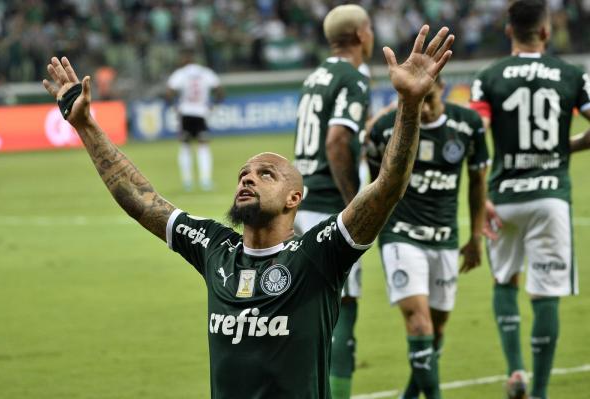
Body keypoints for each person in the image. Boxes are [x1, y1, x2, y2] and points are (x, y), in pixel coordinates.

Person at [42, 24, 453, 398]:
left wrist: (409, 105)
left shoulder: (319, 255)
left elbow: (386, 188)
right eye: (244, 173)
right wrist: (86, 126)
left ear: (295, 198)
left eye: (266, 174)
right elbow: (139, 198)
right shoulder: (215, 248)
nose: (248, 178)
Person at [469, 1, 590, 398]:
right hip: (550, 198)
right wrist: (563, 147)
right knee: (545, 292)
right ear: (545, 32)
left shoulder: (488, 76)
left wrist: (479, 195)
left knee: (504, 280)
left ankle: (515, 370)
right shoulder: (572, 75)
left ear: (508, 32)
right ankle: (538, 392)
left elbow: (477, 133)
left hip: (502, 196)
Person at [367, 77, 489, 399]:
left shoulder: (469, 125)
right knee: (419, 325)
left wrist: (476, 236)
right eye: (418, 101)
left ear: (443, 88)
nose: (426, 109)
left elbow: (478, 182)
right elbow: (374, 187)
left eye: (430, 99)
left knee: (435, 332)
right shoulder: (383, 129)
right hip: (401, 235)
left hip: (445, 238)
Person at [292, 5, 373, 397]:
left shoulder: (315, 77)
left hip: (303, 203)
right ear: (360, 35)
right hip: (328, 208)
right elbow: (337, 140)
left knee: (309, 311)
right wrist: (354, 204)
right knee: (344, 311)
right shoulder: (352, 77)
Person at [166, 47, 224, 192]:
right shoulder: (205, 72)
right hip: (201, 113)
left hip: (185, 113)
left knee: (185, 146)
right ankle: (205, 181)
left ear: (186, 58)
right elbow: (219, 90)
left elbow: (169, 91)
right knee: (203, 145)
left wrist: (174, 107)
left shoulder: (181, 73)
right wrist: (213, 106)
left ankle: (187, 182)